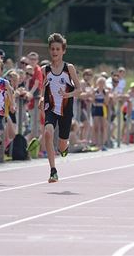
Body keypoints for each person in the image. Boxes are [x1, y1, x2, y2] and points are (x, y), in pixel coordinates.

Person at [38, 33, 81, 183]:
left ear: (63, 51)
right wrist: (42, 98)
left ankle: (64, 147)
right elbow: (43, 88)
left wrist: (67, 95)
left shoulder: (69, 68)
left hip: (65, 110)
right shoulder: (45, 69)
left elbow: (79, 89)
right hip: (51, 108)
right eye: (52, 49)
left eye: (58, 49)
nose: (55, 52)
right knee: (48, 133)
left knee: (62, 145)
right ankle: (53, 171)